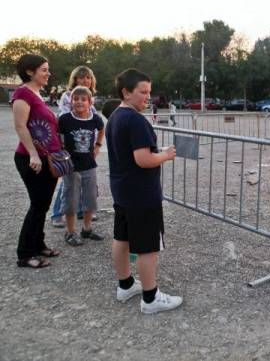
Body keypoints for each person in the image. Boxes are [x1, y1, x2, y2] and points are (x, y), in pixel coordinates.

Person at [107, 68, 182, 314]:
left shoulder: (115, 116)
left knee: (122, 238)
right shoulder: (136, 120)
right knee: (148, 247)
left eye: (149, 92)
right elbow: (143, 159)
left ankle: (125, 284)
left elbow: (130, 154)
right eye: (142, 92)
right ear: (126, 92)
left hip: (123, 190)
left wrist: (155, 152)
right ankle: (151, 298)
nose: (147, 97)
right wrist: (166, 155)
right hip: (142, 193)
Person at [12, 54, 62, 268]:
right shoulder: (22, 93)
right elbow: (20, 126)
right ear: (30, 71)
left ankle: (38, 244)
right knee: (37, 204)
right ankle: (24, 254)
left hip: (46, 158)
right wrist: (33, 153)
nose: (48, 73)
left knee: (43, 204)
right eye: (44, 69)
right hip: (31, 158)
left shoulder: (38, 94)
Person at [51, 66, 99, 227]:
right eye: (81, 77)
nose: (85, 80)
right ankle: (58, 214)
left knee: (86, 184)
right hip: (71, 146)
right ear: (75, 79)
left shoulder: (90, 97)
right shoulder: (68, 96)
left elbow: (96, 121)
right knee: (69, 184)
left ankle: (82, 212)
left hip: (86, 147)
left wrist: (97, 145)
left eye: (88, 78)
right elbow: (66, 117)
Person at [58, 86, 105, 246]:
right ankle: (70, 232)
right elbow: (57, 137)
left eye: (83, 99)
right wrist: (60, 153)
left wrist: (98, 145)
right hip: (71, 166)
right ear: (70, 101)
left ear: (90, 102)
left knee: (90, 198)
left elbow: (101, 129)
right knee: (71, 199)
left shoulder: (94, 118)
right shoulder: (65, 119)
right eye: (75, 99)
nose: (79, 102)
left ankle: (87, 229)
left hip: (89, 165)